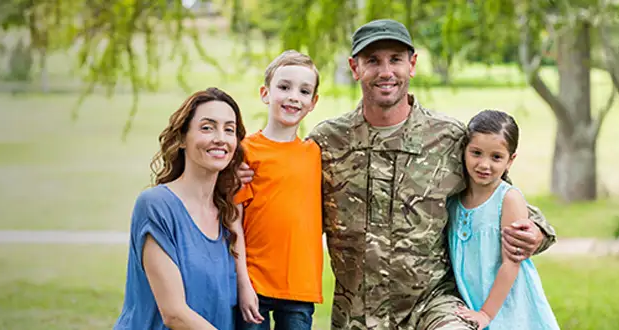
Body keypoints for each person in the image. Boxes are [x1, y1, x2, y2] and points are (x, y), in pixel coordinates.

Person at [236, 19, 559, 330]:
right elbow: (279, 185)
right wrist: (236, 170)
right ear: (355, 68)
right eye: (373, 61)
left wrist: (536, 233)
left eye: (396, 60)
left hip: (432, 305)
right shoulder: (327, 142)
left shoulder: (448, 139)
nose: (386, 72)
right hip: (357, 314)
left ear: (412, 64)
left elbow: (504, 201)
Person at [114, 87, 249, 330]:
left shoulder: (228, 214)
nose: (220, 137)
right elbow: (174, 314)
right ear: (182, 139)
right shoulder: (156, 205)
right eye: (207, 127)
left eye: (229, 129)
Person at [230, 50, 325, 330]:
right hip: (254, 283)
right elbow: (233, 220)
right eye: (284, 87)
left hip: (299, 286)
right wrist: (242, 283)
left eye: (304, 91)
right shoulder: (245, 151)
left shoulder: (315, 153)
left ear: (313, 102)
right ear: (265, 93)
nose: (294, 96)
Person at [448, 110, 560, 330]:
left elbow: (511, 263)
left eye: (496, 157)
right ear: (464, 151)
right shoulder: (454, 199)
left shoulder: (508, 199)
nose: (484, 164)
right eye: (476, 153)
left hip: (509, 307)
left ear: (511, 160)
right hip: (474, 300)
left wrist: (485, 314)